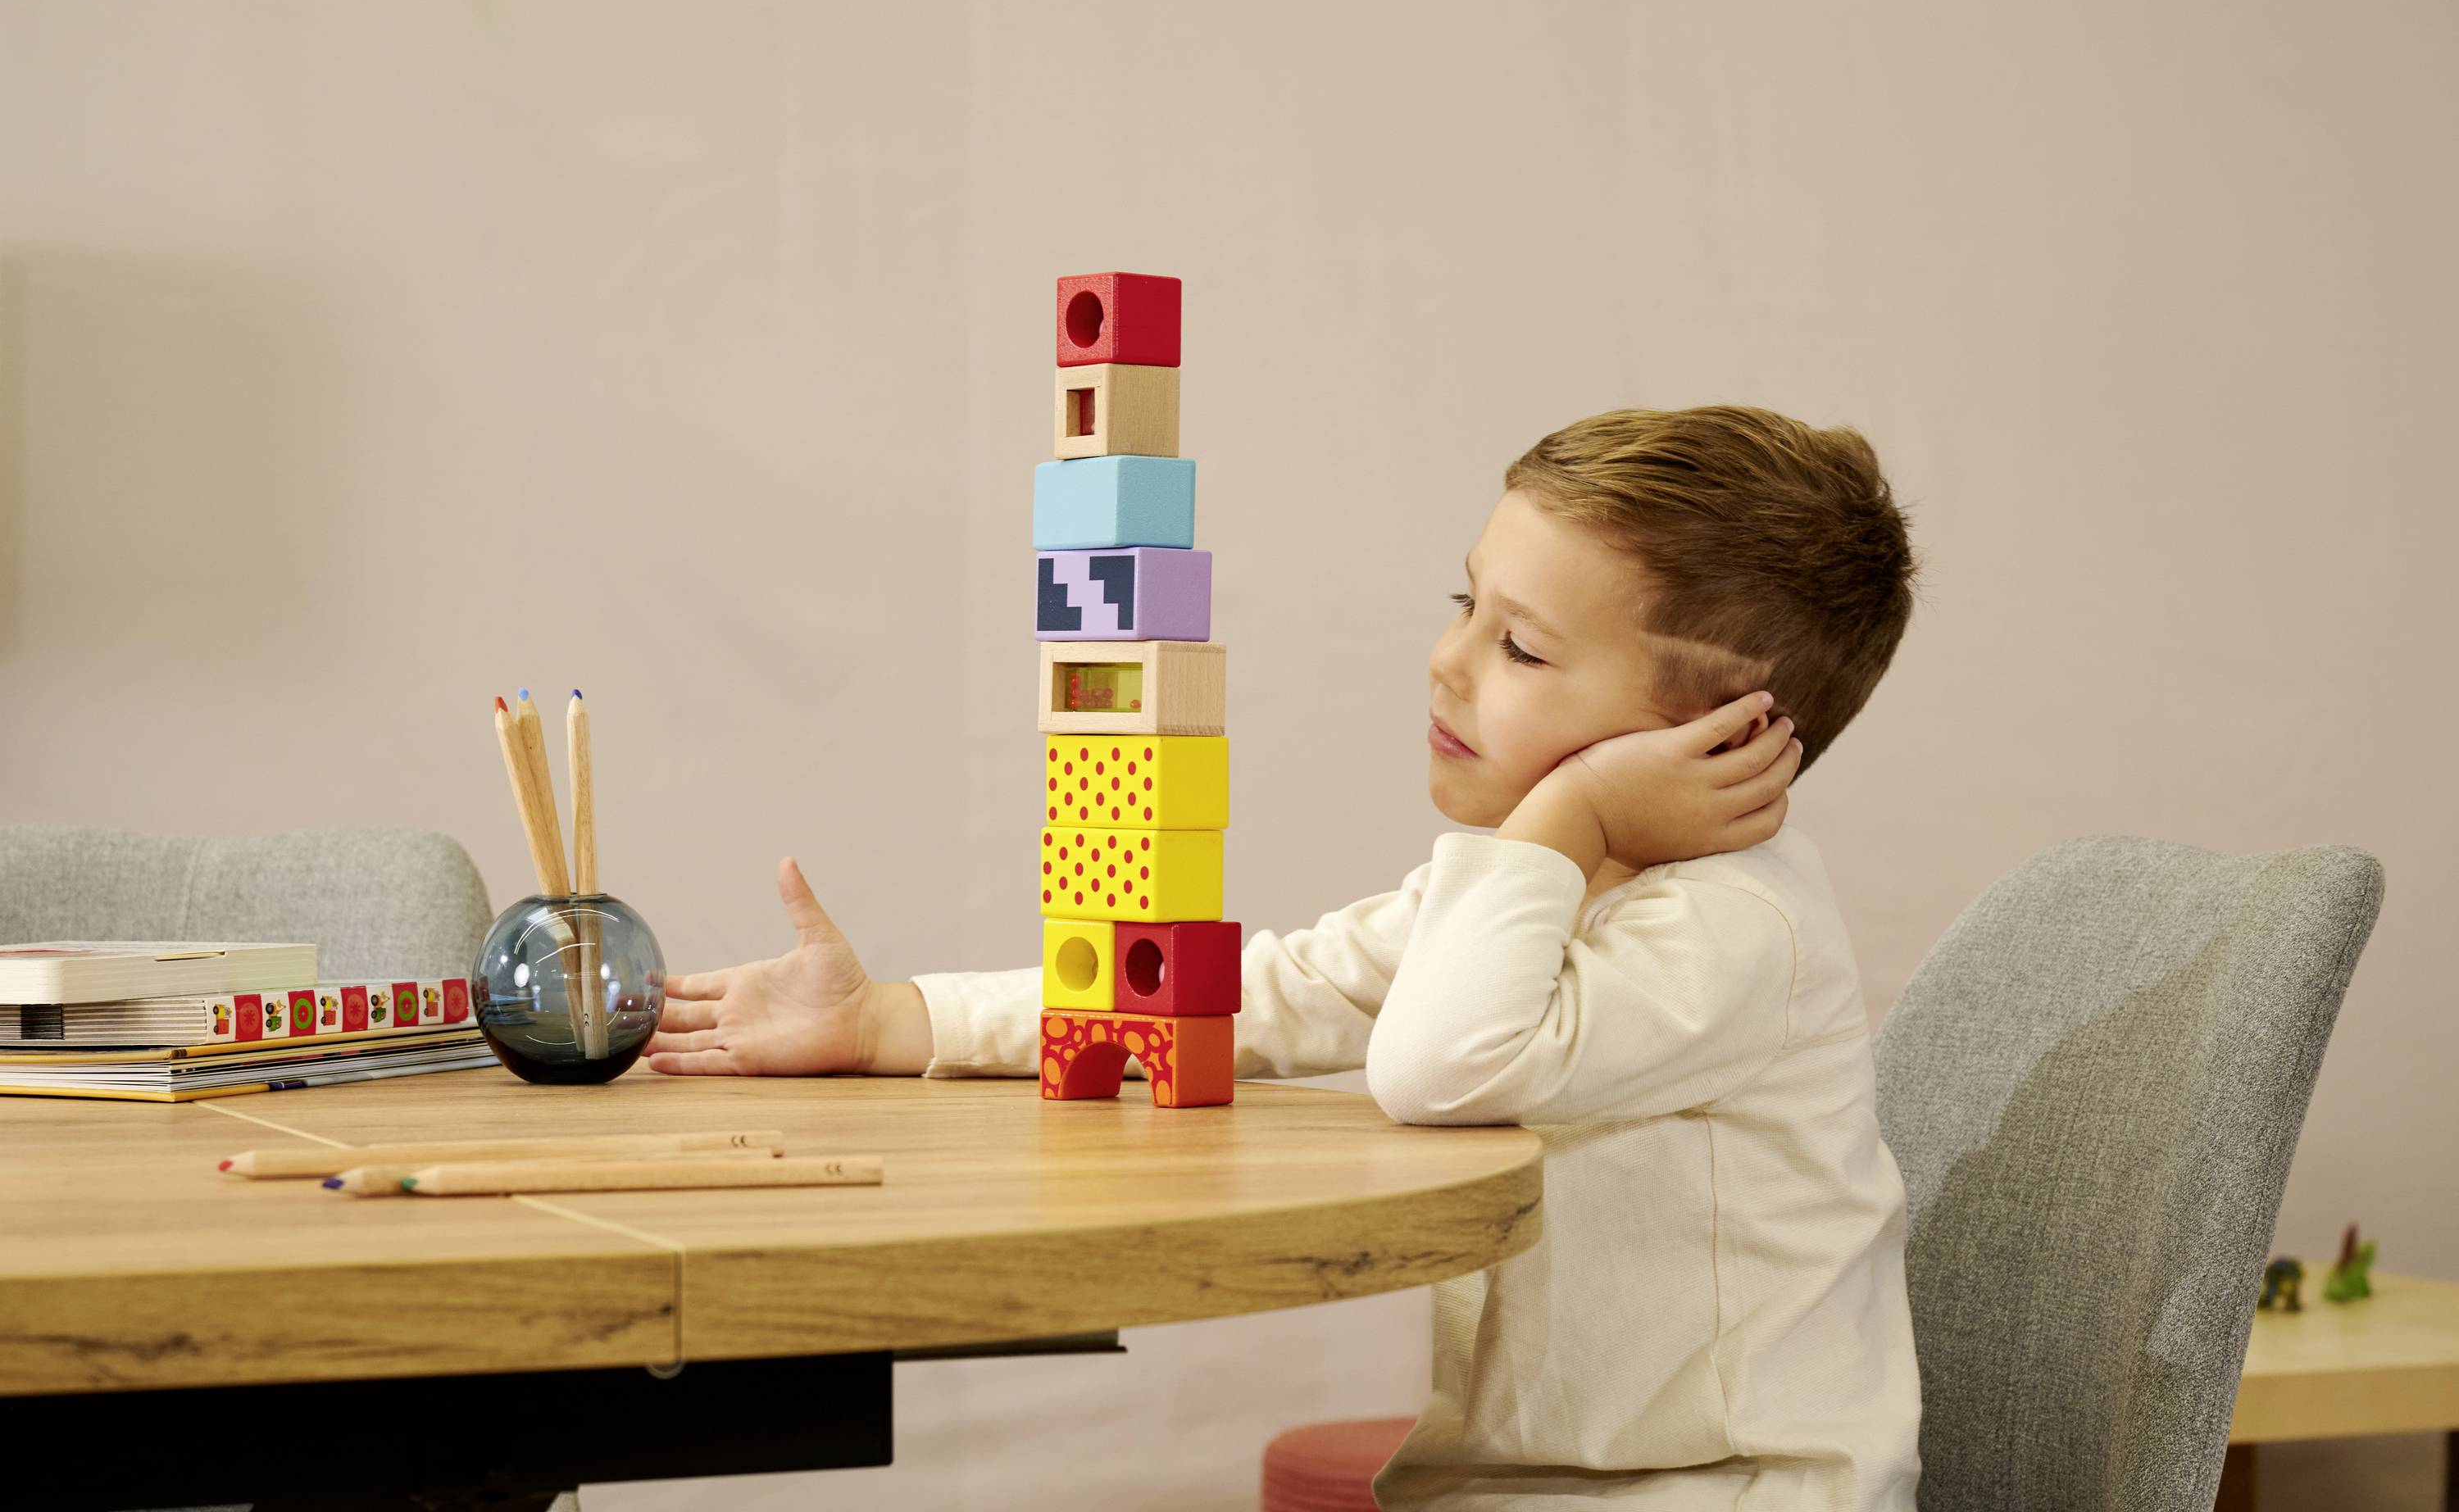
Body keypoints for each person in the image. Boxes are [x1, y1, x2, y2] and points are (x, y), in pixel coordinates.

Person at [648, 404, 1924, 1509]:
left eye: (1522, 647)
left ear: (1721, 736)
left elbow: (1438, 1068)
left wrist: (1567, 816)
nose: (1450, 658)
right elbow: (1260, 993)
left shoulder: (1735, 929)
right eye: (1465, 604)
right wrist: (888, 1022)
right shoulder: (1526, 889)